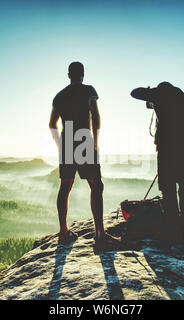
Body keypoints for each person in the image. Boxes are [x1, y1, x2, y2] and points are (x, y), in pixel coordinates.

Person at [49, 61, 118, 247]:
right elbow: (95, 115)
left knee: (65, 186)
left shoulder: (60, 96)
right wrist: (95, 140)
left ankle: (63, 232)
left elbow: (51, 124)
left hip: (67, 138)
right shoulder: (88, 90)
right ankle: (100, 235)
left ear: (69, 75)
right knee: (96, 185)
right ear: (83, 74)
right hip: (83, 138)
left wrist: (59, 144)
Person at [130, 82, 184, 236]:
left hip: (166, 145)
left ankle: (171, 220)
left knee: (167, 183)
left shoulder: (159, 94)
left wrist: (150, 91)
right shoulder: (182, 96)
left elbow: (134, 92)